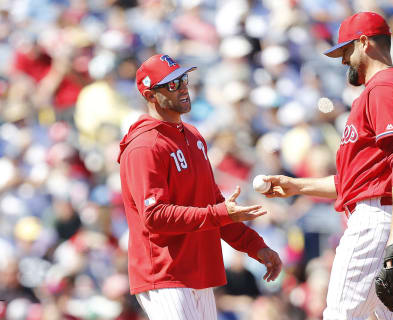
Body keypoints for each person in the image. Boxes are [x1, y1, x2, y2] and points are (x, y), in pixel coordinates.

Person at [263, 12, 393, 319]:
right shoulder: (382, 90)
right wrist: (297, 185)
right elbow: (358, 182)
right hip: (390, 214)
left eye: (345, 51)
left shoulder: (383, 88)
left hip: (382, 219)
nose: (342, 62)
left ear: (364, 43)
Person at [117, 54, 282, 320]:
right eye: (171, 84)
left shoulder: (193, 136)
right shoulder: (144, 146)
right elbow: (154, 216)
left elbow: (213, 204)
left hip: (198, 271)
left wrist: (255, 246)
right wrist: (221, 214)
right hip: (164, 274)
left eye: (182, 79)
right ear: (150, 95)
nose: (182, 87)